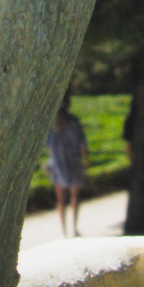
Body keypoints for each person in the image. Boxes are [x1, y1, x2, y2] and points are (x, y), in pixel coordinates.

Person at [44, 98, 88, 241]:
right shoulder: (72, 122)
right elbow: (82, 144)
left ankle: (67, 230)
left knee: (63, 198)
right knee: (71, 197)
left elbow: (47, 146)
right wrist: (86, 161)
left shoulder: (52, 124)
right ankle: (71, 229)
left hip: (60, 163)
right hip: (70, 162)